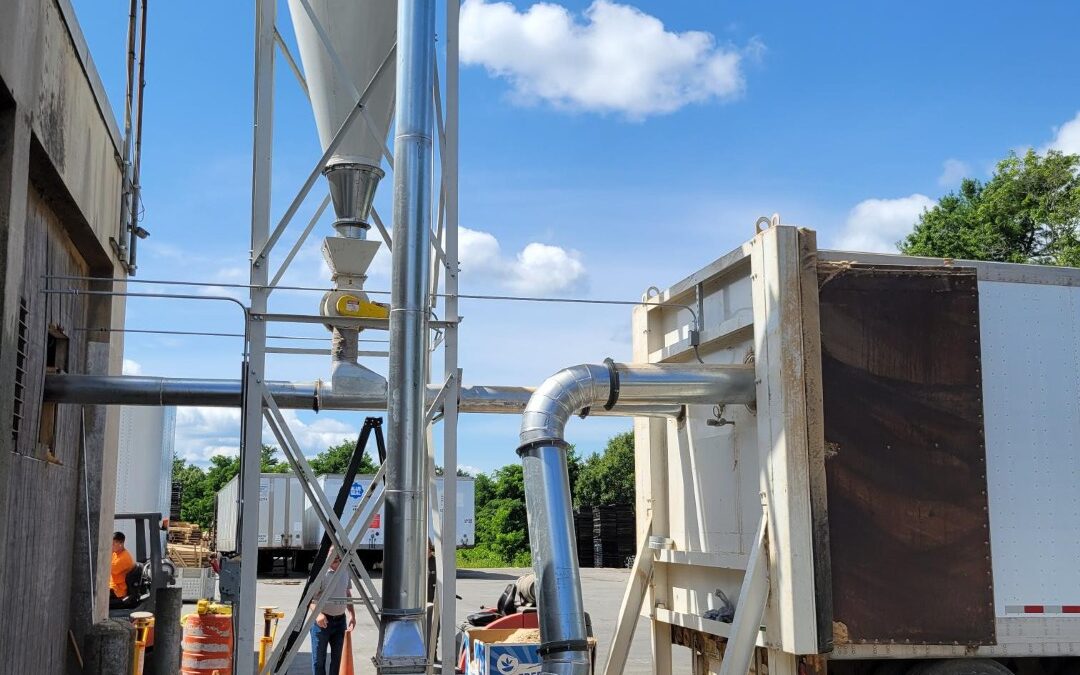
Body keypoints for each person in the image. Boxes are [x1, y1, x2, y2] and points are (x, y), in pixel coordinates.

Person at [310, 553, 355, 674]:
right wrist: (318, 614)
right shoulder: (321, 574)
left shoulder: (345, 570)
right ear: (326, 555)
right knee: (318, 661)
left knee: (338, 660)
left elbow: (347, 594)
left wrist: (352, 615)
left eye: (338, 553)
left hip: (340, 622)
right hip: (322, 623)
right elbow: (309, 600)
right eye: (332, 553)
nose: (335, 556)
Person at [109, 532, 136, 608]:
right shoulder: (116, 553)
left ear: (121, 544)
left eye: (114, 543)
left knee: (95, 596)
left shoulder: (124, 558)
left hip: (118, 591)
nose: (111, 545)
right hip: (112, 585)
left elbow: (106, 569)